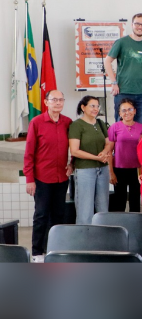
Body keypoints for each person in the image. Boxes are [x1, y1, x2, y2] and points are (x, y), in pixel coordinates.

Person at [24, 90, 73, 262]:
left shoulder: (68, 122)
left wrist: (72, 163)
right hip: (42, 178)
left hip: (61, 177)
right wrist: (29, 179)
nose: (58, 103)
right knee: (41, 215)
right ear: (46, 102)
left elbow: (75, 146)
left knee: (58, 215)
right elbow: (29, 153)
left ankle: (54, 250)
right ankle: (37, 252)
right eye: (54, 100)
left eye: (61, 100)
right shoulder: (36, 122)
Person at [105, 13, 142, 123]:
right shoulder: (121, 42)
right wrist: (114, 83)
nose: (140, 27)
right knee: (121, 125)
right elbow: (107, 61)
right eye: (137, 24)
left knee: (139, 126)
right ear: (132, 24)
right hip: (123, 91)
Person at [68, 96, 111, 225]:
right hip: (85, 170)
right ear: (83, 107)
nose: (96, 109)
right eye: (92, 106)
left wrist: (104, 152)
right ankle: (84, 235)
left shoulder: (100, 124)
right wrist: (96, 157)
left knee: (103, 208)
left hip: (103, 169)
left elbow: (108, 143)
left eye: (97, 106)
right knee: (85, 209)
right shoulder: (76, 125)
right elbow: (74, 151)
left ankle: (102, 234)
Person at [107, 99, 142, 212]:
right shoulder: (114, 127)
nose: (127, 112)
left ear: (135, 111)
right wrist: (111, 172)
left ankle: (135, 222)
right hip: (119, 169)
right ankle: (120, 222)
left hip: (137, 169)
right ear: (119, 113)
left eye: (130, 109)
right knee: (119, 201)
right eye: (124, 110)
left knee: (135, 201)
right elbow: (109, 151)